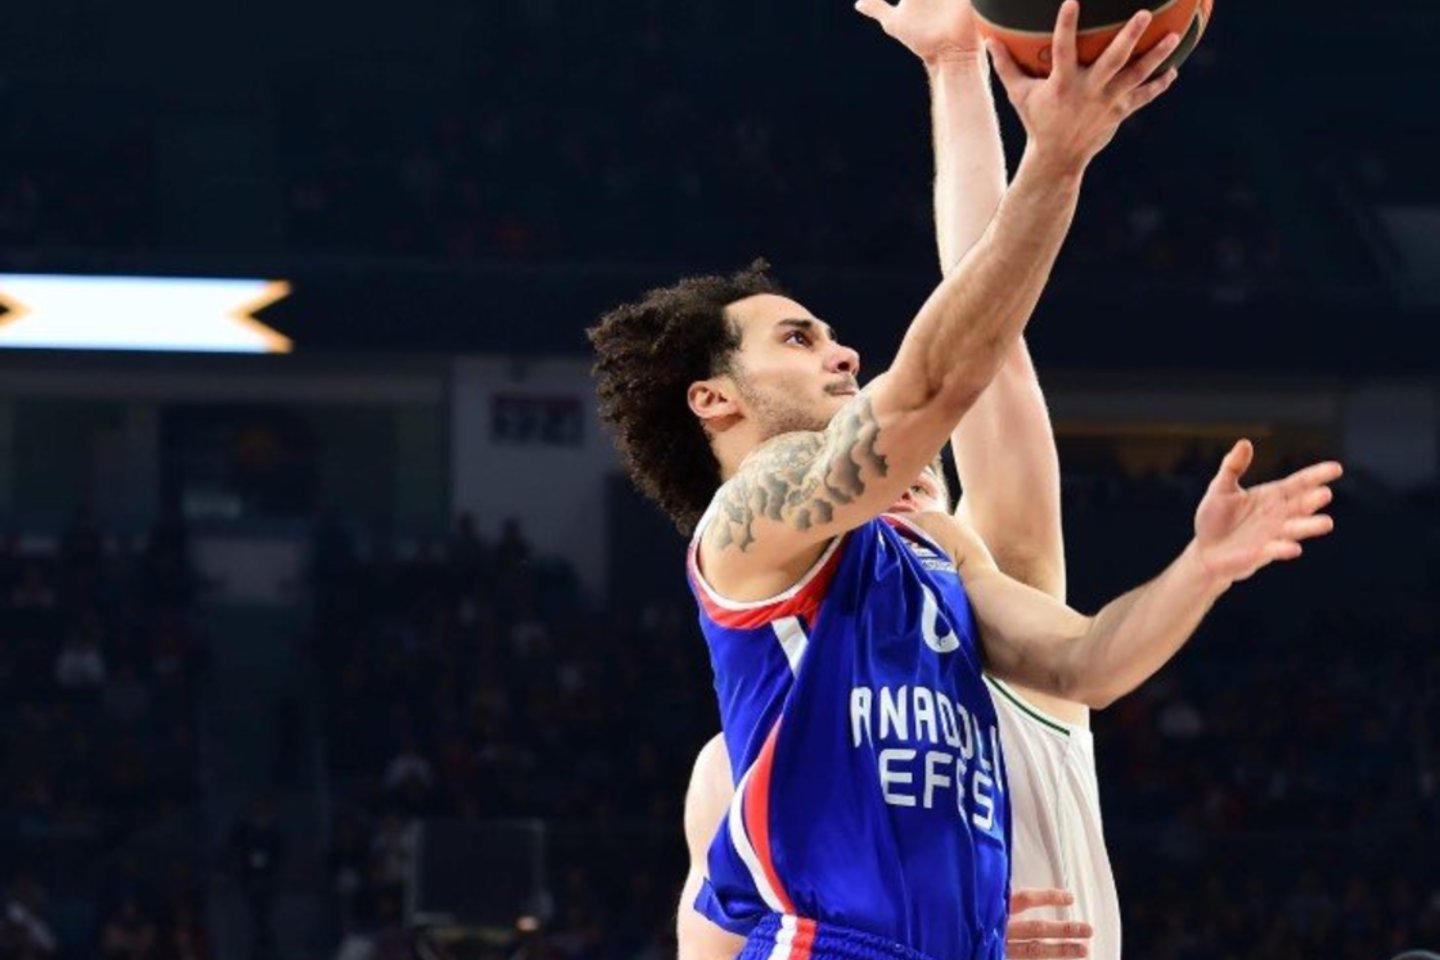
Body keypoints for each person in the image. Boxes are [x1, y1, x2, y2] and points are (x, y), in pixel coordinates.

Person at [590, 7, 1337, 960]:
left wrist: (1202, 566)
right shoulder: (750, 530)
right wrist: (1052, 156)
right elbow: (942, 380)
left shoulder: (954, 572)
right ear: (714, 399)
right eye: (799, 338)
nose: (843, 353)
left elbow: (1087, 662)